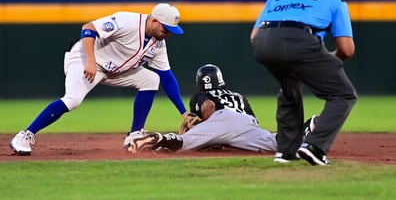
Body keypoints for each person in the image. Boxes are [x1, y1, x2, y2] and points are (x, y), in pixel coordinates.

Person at [9, 3, 189, 155]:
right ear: (154, 20)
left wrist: (184, 113)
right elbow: (88, 28)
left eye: (172, 31)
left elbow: (167, 78)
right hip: (85, 59)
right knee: (73, 100)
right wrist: (91, 61)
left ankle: (135, 135)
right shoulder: (128, 21)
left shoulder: (158, 44)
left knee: (151, 79)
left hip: (114, 70)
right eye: (166, 28)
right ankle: (25, 135)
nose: (168, 33)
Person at [250, 0, 358, 166]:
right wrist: (324, 63)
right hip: (300, 39)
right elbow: (347, 49)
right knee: (343, 94)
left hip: (264, 43)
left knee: (289, 90)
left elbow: (253, 36)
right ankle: (314, 147)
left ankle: (285, 151)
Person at [127, 64, 318, 158]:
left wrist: (205, 127)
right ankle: (304, 129)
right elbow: (253, 120)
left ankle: (157, 140)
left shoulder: (200, 96)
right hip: (246, 122)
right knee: (275, 143)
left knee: (185, 142)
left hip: (220, 118)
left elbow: (209, 107)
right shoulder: (238, 96)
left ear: (200, 83)